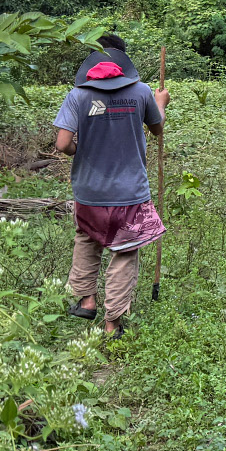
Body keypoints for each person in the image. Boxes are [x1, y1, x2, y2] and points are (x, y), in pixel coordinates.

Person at [53, 34, 169, 335]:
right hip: (130, 193)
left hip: (89, 191)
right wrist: (160, 103)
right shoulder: (141, 91)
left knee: (87, 239)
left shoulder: (78, 95)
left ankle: (87, 301)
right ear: (123, 59)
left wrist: (76, 150)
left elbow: (62, 143)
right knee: (126, 251)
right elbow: (157, 129)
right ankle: (112, 322)